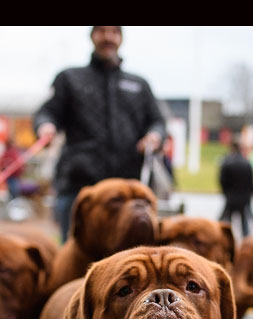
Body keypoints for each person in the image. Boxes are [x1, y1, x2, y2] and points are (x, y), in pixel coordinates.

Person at [34, 26, 167, 242]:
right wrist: (45, 126)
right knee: (75, 254)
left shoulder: (139, 85)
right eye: (102, 31)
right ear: (92, 36)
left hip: (128, 190)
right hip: (80, 187)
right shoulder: (69, 79)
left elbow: (157, 121)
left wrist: (154, 135)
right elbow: (47, 112)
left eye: (114, 32)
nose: (108, 37)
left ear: (121, 38)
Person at [218, 137, 253, 238]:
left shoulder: (227, 162)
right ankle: (246, 241)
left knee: (225, 223)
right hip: (243, 198)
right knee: (245, 224)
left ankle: (225, 240)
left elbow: (222, 180)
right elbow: (251, 182)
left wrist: (226, 193)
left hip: (230, 197)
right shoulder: (246, 162)